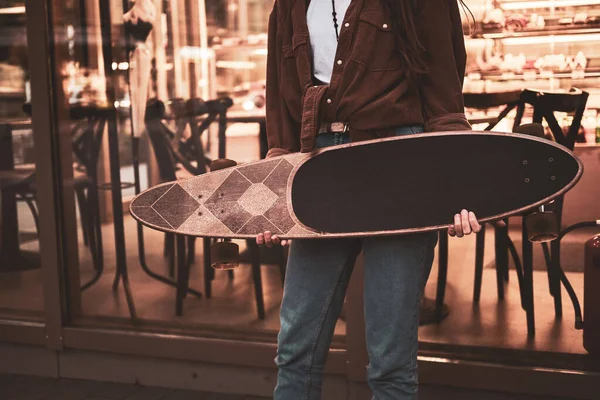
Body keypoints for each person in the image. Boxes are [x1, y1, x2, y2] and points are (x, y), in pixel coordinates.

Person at [257, 0, 503, 398]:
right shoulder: (289, 4)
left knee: (390, 360)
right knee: (295, 349)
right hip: (319, 169)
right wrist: (276, 191)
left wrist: (457, 183)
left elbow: (443, 95)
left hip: (398, 167)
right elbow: (280, 98)